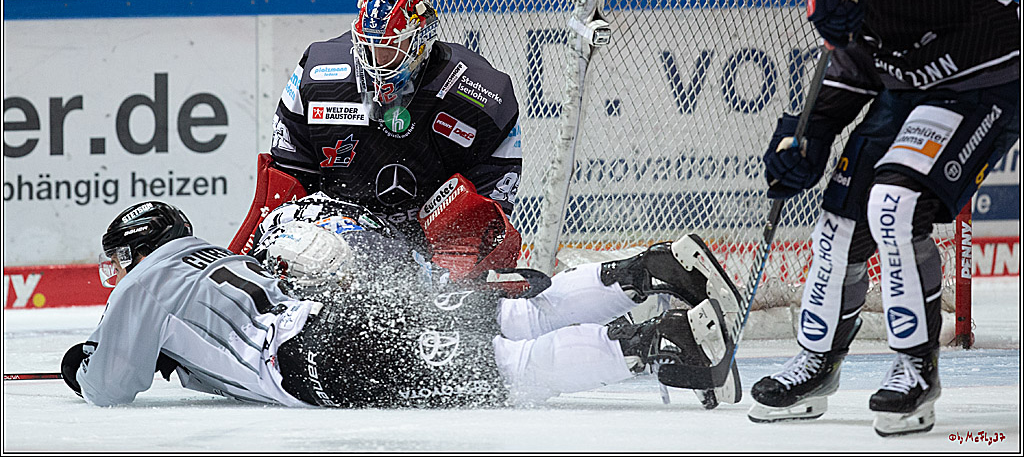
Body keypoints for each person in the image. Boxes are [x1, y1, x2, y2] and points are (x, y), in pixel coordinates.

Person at [747, 0, 1020, 437]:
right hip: (911, 89)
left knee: (894, 204)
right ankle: (817, 361)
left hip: (979, 82)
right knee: (842, 212)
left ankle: (914, 370)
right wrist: (809, 134)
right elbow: (855, 60)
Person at [61, 199, 743, 409]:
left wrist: (80, 361)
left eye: (118, 262)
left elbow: (109, 386)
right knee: (513, 317)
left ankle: (663, 345)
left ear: (140, 253)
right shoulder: (219, 256)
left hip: (317, 359)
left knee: (505, 373)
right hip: (339, 323)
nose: (114, 276)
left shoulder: (143, 284)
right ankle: (649, 269)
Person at [235, 0, 522, 279]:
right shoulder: (317, 74)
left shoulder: (481, 95)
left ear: (421, 41)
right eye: (369, 46)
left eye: (390, 48)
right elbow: (285, 186)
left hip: (429, 249)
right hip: (338, 233)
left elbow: (487, 210)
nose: (376, 60)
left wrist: (454, 271)